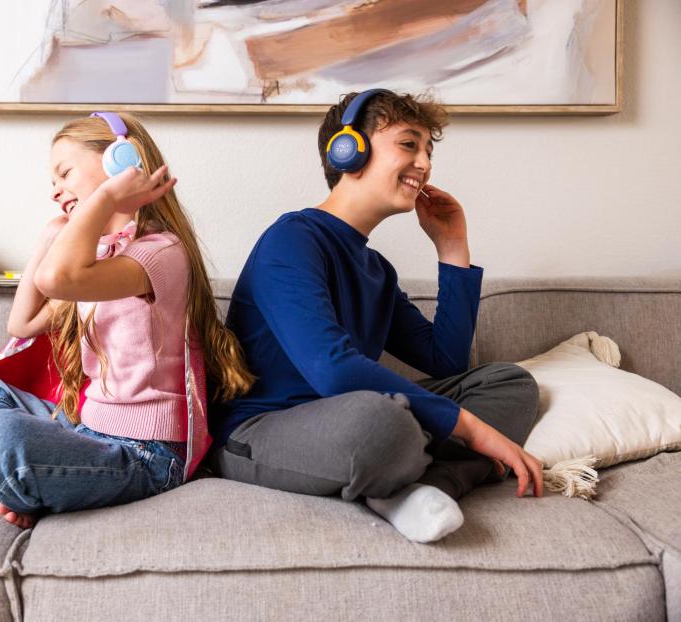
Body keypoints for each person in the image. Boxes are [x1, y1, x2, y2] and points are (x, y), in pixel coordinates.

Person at [209, 89, 544, 543]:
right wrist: (469, 429)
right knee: (381, 422)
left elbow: (446, 362)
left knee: (510, 383)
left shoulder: (377, 270)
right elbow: (333, 370)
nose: (424, 163)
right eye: (408, 145)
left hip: (358, 420)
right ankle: (407, 465)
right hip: (263, 432)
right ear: (348, 150)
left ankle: (421, 487)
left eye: (428, 152)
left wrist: (452, 248)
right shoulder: (291, 239)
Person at [0, 112, 254, 528]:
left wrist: (107, 197)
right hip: (87, 426)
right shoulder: (103, 257)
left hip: (145, 452)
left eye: (65, 173)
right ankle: (21, 481)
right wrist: (50, 235)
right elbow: (23, 323)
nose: (55, 190)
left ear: (118, 161)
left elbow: (57, 278)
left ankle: (13, 478)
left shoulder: (159, 253)